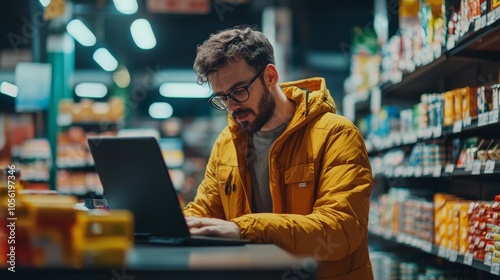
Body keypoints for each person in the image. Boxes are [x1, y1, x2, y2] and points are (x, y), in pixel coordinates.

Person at [183, 25, 373, 280]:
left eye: (239, 91)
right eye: (222, 98)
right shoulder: (228, 143)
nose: (231, 108)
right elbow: (204, 211)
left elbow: (341, 230)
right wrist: (173, 225)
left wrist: (244, 229)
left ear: (270, 76)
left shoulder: (336, 134)